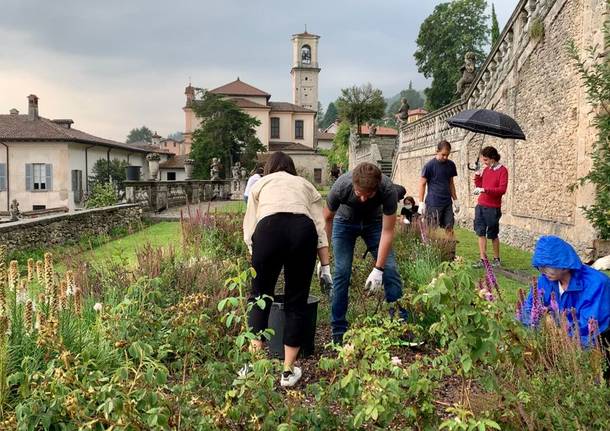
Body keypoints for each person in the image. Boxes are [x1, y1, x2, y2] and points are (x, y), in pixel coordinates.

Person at [242, 152, 331, 387]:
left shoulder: (260, 183)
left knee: (259, 296)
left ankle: (253, 366)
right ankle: (288, 372)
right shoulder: (306, 184)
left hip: (268, 229)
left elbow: (249, 227)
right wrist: (326, 267)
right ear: (292, 169)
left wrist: (258, 256)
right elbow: (320, 230)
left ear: (269, 168)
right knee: (296, 300)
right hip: (302, 231)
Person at [323, 162, 407, 345]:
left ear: (377, 188)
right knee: (342, 273)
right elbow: (327, 218)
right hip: (344, 222)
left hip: (374, 224)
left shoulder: (387, 190)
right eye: (359, 194)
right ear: (353, 185)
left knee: (391, 270)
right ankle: (338, 331)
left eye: (368, 195)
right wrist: (322, 255)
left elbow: (387, 231)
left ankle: (402, 326)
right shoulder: (341, 186)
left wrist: (379, 269)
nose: (363, 199)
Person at [520, 236, 610, 352]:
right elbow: (528, 309)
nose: (543, 272)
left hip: (594, 346)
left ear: (565, 265)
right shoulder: (545, 279)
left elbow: (587, 329)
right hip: (558, 341)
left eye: (548, 267)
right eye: (541, 267)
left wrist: (556, 333)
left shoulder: (596, 284)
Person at [472, 146, 508, 268]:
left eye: (486, 160)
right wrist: (477, 174)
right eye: (483, 160)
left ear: (493, 159)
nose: (484, 162)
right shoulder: (487, 170)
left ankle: (496, 259)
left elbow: (502, 190)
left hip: (493, 208)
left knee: (493, 234)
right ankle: (483, 260)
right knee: (480, 232)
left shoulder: (503, 171)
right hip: (481, 205)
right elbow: (479, 185)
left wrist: (484, 189)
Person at [418, 140, 460, 238]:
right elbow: (422, 184)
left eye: (447, 155)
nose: (445, 157)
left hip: (447, 203)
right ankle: (429, 251)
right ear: (437, 151)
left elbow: (451, 183)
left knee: (449, 228)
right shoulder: (429, 166)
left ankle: (450, 252)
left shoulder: (451, 165)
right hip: (433, 203)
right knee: (431, 230)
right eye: (443, 154)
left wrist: (456, 200)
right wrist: (421, 203)